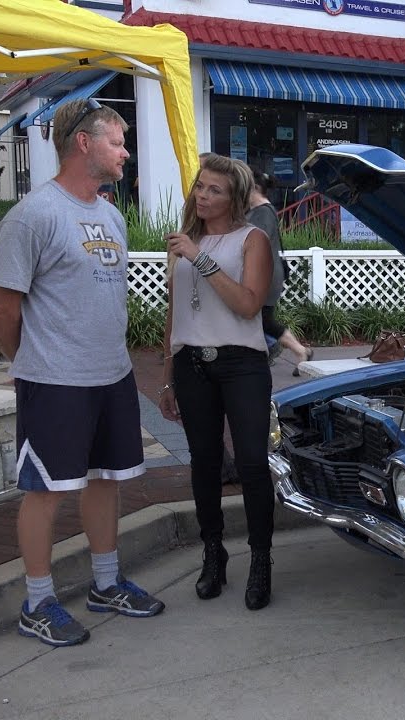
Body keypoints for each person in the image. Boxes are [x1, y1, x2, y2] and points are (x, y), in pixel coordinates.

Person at [0, 98, 165, 647]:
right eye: (117, 142)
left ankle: (105, 585)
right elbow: (1, 307)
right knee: (45, 490)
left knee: (106, 481)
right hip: (54, 380)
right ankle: (37, 602)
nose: (126, 153)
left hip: (111, 376)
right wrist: (27, 362)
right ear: (84, 143)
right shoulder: (34, 215)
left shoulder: (111, 215)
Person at [158, 154, 277, 610]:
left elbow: (248, 306)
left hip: (242, 363)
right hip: (191, 364)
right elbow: (176, 314)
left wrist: (199, 258)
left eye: (215, 190)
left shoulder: (253, 238)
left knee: (250, 462)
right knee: (204, 462)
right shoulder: (186, 242)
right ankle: (213, 551)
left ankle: (261, 559)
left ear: (236, 198)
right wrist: (168, 378)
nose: (203, 196)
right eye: (200, 187)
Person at [247, 168, 313, 376]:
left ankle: (298, 350)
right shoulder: (254, 210)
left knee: (264, 319)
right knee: (256, 317)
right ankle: (272, 348)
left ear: (254, 188)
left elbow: (255, 240)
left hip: (266, 275)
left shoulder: (264, 212)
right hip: (262, 273)